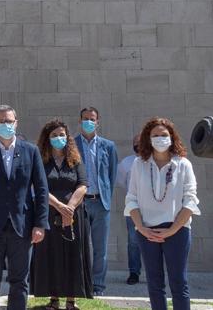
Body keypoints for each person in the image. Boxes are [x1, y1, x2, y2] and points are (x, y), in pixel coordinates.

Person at [0, 104, 48, 310]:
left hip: (22, 227)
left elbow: (41, 189)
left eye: (9, 121)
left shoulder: (30, 151)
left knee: (19, 282)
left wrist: (40, 224)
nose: (6, 125)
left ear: (16, 123)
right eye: (1, 121)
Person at [125, 118, 200, 310]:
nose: (160, 139)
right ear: (148, 139)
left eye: (164, 135)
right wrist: (141, 227)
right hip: (147, 230)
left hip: (177, 230)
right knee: (154, 283)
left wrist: (172, 229)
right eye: (155, 135)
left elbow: (190, 201)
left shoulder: (183, 164)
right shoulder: (138, 164)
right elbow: (131, 198)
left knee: (178, 282)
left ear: (172, 137)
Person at [32, 119, 93, 308]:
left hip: (74, 217)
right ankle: (54, 299)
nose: (59, 138)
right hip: (49, 215)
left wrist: (70, 208)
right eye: (54, 135)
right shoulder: (42, 160)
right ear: (47, 138)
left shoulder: (75, 159)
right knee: (52, 255)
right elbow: (39, 186)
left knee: (73, 255)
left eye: (62, 134)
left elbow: (82, 185)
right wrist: (60, 206)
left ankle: (71, 300)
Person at [75, 107, 117, 295]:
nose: (88, 122)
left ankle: (98, 285)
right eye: (85, 118)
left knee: (100, 248)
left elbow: (111, 175)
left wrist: (106, 196)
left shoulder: (108, 146)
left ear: (98, 121)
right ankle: (81, 283)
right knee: (79, 246)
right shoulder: (72, 145)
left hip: (100, 203)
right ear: (80, 120)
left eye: (92, 119)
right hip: (80, 203)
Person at [116, 136, 142, 285]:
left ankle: (156, 274)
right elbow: (121, 181)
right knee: (133, 241)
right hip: (133, 208)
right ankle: (134, 272)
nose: (138, 146)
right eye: (135, 144)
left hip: (153, 209)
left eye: (141, 143)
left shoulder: (155, 161)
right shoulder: (127, 163)